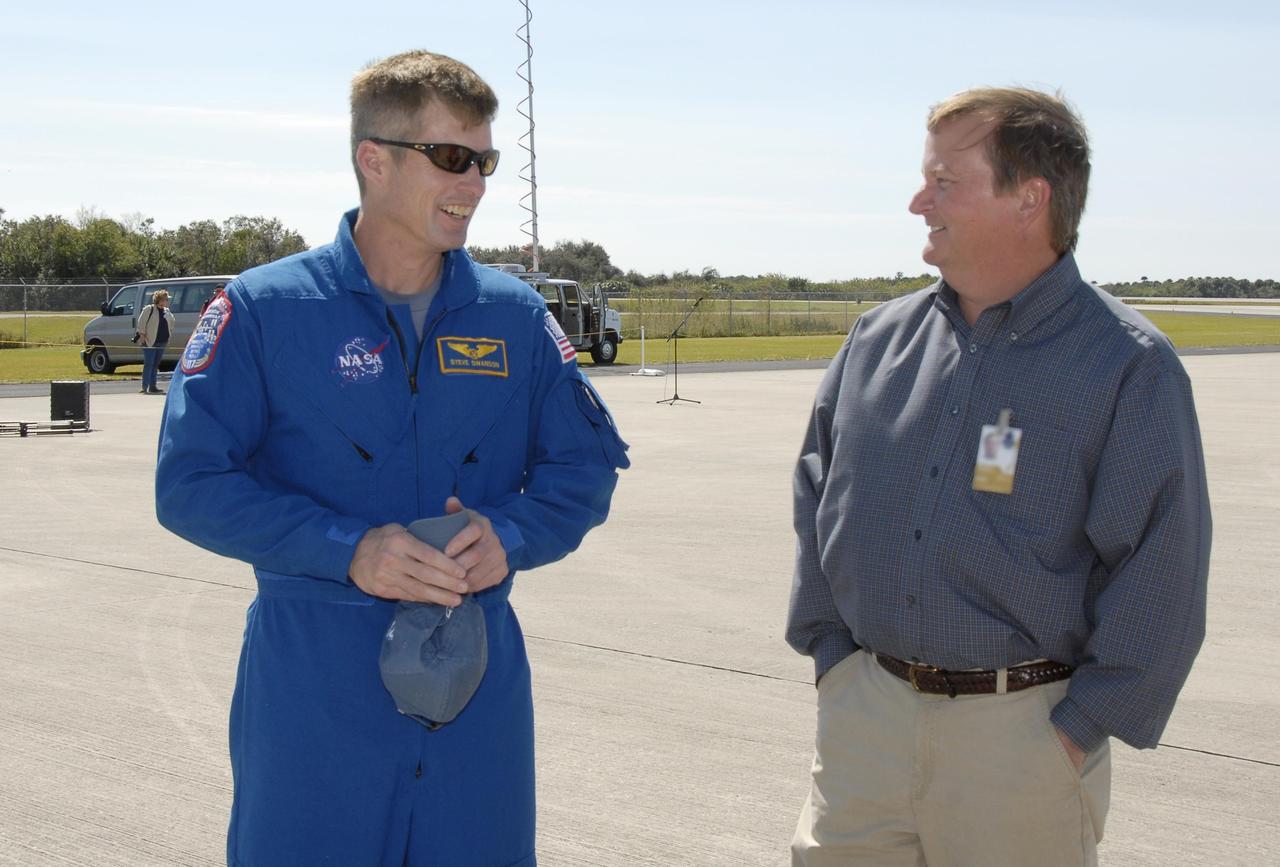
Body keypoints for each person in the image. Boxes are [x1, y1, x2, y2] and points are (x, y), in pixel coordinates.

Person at [155, 50, 628, 867]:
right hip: (314, 696)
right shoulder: (266, 310)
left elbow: (583, 470)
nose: (475, 183)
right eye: (452, 158)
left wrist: (508, 536)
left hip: (475, 697)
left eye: (484, 161)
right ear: (374, 159)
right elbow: (190, 483)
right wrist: (349, 551)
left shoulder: (515, 318)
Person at [786, 87, 1210, 866]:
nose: (919, 201)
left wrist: (1079, 727)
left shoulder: (1126, 367)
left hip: (1022, 745)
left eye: (944, 181)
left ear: (1029, 197)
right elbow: (817, 492)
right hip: (864, 727)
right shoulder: (877, 341)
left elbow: (1163, 566)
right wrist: (835, 667)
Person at [135, 288, 174, 394]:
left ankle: (153, 386)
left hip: (162, 341)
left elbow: (171, 323)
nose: (167, 301)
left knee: (156, 364)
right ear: (159, 300)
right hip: (150, 341)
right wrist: (142, 336)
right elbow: (141, 323)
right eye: (165, 299)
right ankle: (145, 386)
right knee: (149, 363)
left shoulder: (167, 311)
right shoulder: (149, 309)